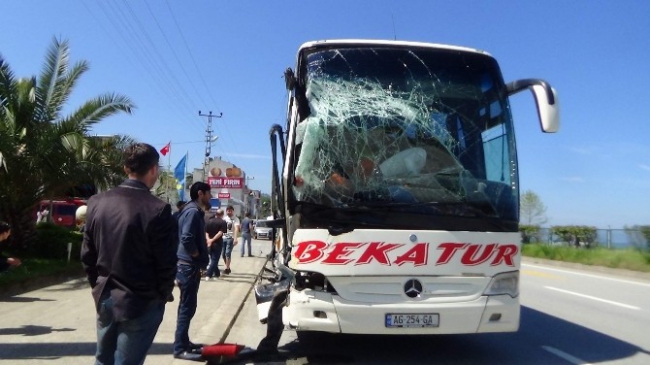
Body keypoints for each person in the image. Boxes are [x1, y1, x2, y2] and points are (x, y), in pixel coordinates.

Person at [80, 143, 177, 365]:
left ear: (126, 168)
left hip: (106, 295)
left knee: (103, 359)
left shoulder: (96, 202)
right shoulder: (158, 209)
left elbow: (87, 254)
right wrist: (162, 294)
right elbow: (166, 262)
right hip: (141, 301)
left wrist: (97, 285)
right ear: (154, 169)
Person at [173, 182, 211, 360]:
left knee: (188, 306)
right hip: (188, 266)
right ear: (201, 193)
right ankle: (180, 348)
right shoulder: (193, 211)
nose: (210, 197)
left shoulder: (190, 210)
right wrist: (196, 255)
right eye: (209, 194)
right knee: (187, 307)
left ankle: (184, 341)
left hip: (187, 265)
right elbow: (187, 238)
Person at [204, 209, 226, 281]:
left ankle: (217, 273)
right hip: (217, 243)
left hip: (209, 244)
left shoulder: (209, 221)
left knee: (213, 258)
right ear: (222, 214)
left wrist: (208, 240)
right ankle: (208, 274)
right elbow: (220, 233)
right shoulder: (222, 222)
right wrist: (212, 240)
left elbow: (206, 232)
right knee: (215, 259)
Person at [222, 205, 240, 275]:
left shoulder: (236, 219)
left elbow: (236, 229)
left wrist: (235, 238)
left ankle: (227, 268)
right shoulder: (224, 218)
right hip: (223, 238)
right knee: (223, 254)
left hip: (230, 238)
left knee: (227, 253)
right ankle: (228, 268)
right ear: (226, 211)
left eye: (230, 210)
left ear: (233, 211)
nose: (229, 212)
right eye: (228, 210)